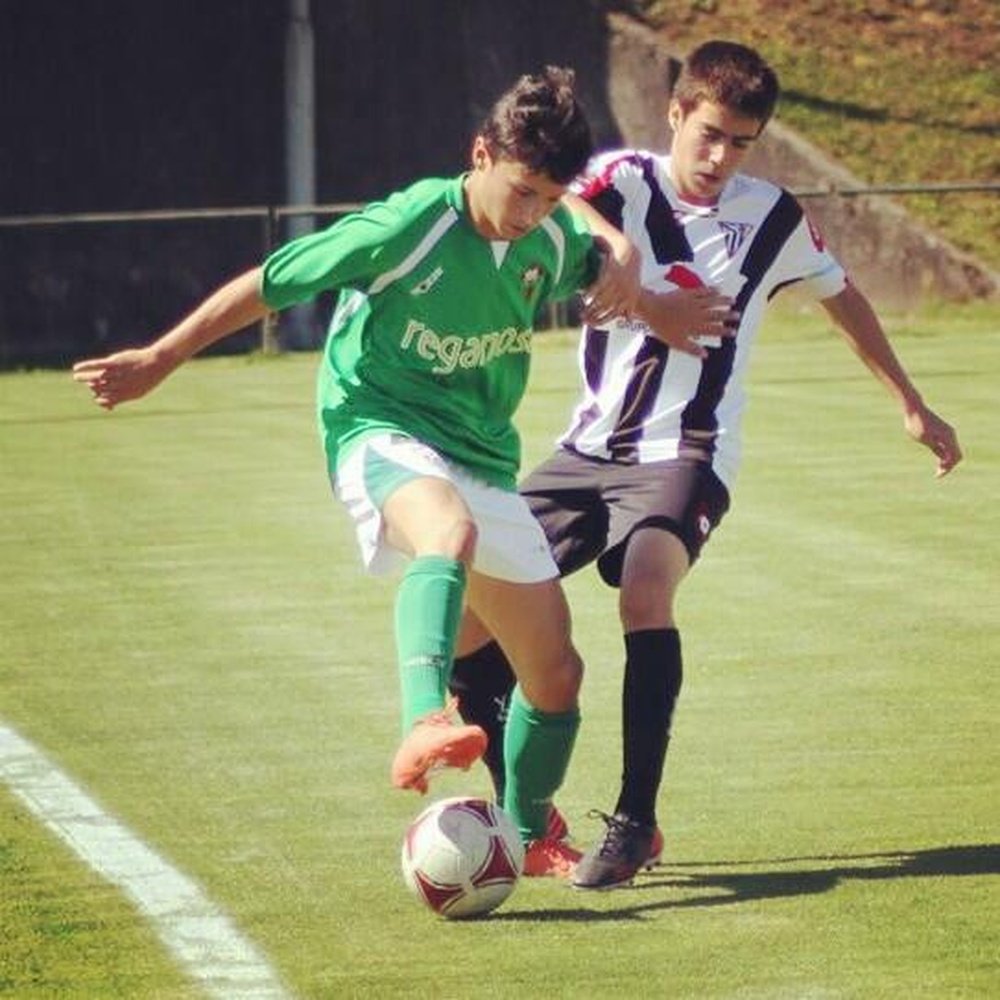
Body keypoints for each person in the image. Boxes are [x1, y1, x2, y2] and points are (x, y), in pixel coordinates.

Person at [72, 67, 730, 879]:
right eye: (521, 191)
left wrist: (647, 295)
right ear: (480, 153)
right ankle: (425, 718)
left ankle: (526, 831)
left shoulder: (548, 237)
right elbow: (272, 283)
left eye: (548, 197)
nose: (529, 213)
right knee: (444, 532)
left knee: (556, 675)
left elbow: (595, 266)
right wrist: (162, 358)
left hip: (482, 452)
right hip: (377, 425)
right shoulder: (408, 224)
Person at [449, 41, 963, 889]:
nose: (722, 158)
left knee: (647, 585)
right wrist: (615, 245)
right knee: (474, 616)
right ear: (676, 114)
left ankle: (635, 823)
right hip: (587, 450)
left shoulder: (772, 218)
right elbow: (555, 205)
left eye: (743, 143)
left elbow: (844, 297)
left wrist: (910, 400)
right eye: (712, 134)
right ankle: (529, 821)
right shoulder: (620, 178)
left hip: (688, 452)